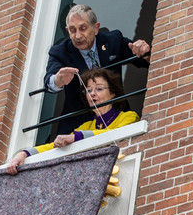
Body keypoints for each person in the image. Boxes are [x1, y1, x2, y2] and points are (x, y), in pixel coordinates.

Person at [43, 4, 149, 136]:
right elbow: (49, 83)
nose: (77, 36)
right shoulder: (60, 52)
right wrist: (58, 80)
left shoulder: (113, 40)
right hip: (77, 125)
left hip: (116, 117)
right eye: (72, 30)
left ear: (96, 28)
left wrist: (145, 51)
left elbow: (144, 60)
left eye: (83, 28)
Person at [8, 68, 138, 174]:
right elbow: (53, 146)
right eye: (88, 90)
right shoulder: (87, 126)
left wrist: (77, 137)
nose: (92, 94)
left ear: (113, 93)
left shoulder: (129, 116)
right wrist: (24, 153)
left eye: (99, 89)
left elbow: (113, 134)